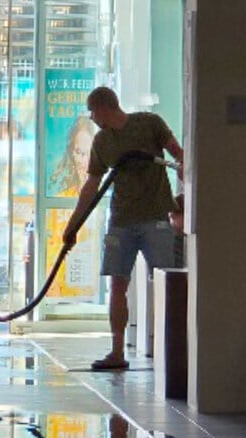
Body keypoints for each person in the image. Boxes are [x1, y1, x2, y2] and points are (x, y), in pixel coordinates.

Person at [62, 87, 184, 371]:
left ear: (105, 108)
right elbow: (92, 184)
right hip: (121, 222)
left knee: (167, 283)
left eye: (93, 112)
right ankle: (117, 352)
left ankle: (175, 350)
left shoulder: (149, 123)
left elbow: (177, 152)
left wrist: (183, 166)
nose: (92, 118)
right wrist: (73, 225)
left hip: (155, 218)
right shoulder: (103, 142)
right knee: (118, 285)